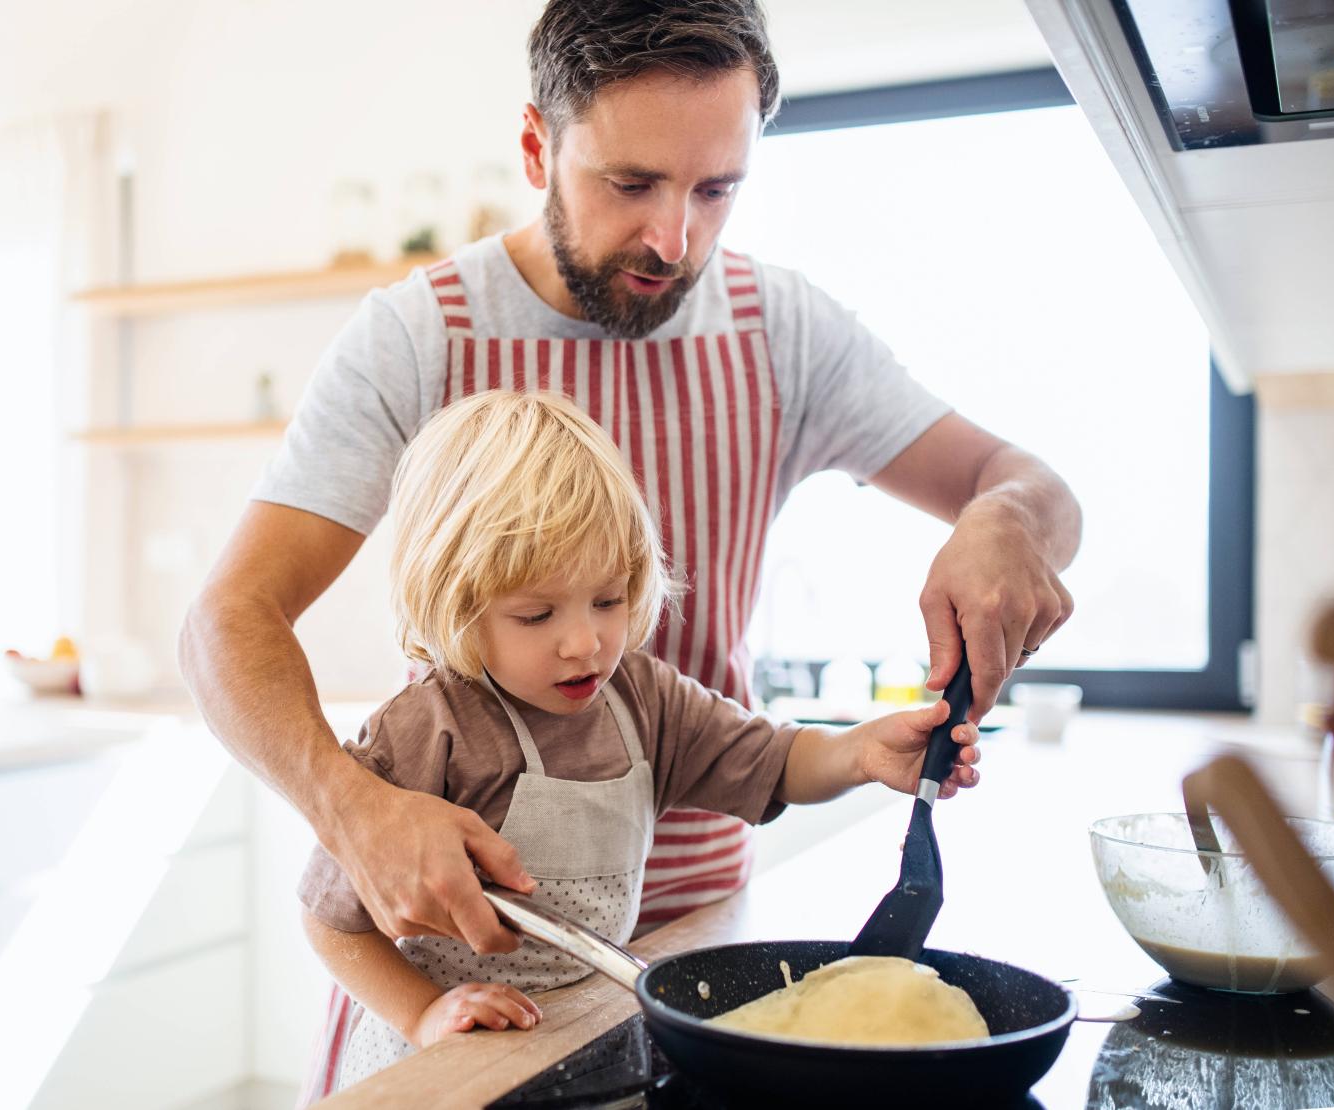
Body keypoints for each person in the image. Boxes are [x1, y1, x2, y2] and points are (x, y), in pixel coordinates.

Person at [180, 0, 1076, 1019]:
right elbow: (225, 622)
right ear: (536, 146)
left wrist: (1005, 519)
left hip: (702, 947)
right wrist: (352, 810)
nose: (673, 238)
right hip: (462, 968)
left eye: (716, 188)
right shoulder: (418, 336)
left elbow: (1026, 480)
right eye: (630, 182)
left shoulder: (780, 330)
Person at [299, 390, 981, 1092]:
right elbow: (332, 923)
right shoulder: (427, 729)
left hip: (579, 1038)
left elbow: (774, 762)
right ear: (456, 604)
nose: (585, 642)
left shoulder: (643, 700)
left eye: (608, 599)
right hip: (440, 1064)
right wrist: (424, 1014)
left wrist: (862, 752)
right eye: (536, 614)